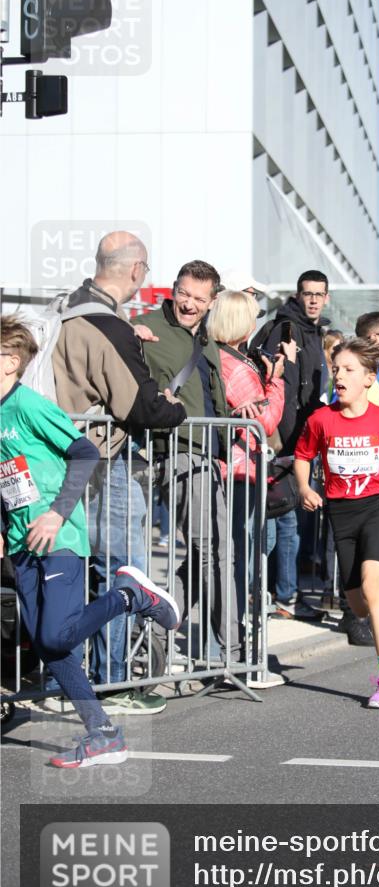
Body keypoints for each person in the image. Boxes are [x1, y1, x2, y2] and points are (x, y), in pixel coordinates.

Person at [0, 316, 179, 767]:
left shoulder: (28, 406)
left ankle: (129, 595)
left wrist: (57, 512)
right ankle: (102, 734)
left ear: (10, 361)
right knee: (49, 646)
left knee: (57, 633)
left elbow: (84, 452)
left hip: (60, 534)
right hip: (22, 540)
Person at [54, 231, 186, 716]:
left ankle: (76, 681)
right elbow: (141, 406)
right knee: (121, 574)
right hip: (103, 465)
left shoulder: (63, 311)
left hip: (62, 463)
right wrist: (174, 407)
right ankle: (114, 683)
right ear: (135, 271)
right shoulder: (106, 326)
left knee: (74, 573)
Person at [294, 338, 379, 709]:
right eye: (337, 369)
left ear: (369, 379)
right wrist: (304, 486)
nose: (340, 376)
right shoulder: (321, 419)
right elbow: (303, 455)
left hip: (376, 509)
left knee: (372, 589)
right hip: (340, 513)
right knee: (359, 604)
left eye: (349, 370)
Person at [133, 260, 238, 662]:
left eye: (199, 298)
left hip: (207, 455)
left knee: (205, 553)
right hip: (175, 452)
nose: (189, 304)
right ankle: (232, 651)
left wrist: (226, 445)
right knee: (215, 551)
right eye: (184, 293)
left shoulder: (207, 340)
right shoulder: (144, 327)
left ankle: (157, 627)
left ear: (212, 301)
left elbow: (213, 396)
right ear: (173, 288)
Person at [208, 289, 294, 622]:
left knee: (224, 551)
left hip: (225, 465)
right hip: (240, 469)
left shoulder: (215, 355)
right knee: (240, 552)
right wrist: (276, 380)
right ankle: (234, 629)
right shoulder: (239, 368)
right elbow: (266, 420)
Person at [258, 270, 332, 620]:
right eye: (308, 293)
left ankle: (283, 594)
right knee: (283, 520)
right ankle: (283, 597)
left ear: (327, 297)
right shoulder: (285, 329)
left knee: (289, 521)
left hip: (302, 439)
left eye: (319, 294)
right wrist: (293, 445)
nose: (314, 299)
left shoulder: (315, 332)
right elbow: (283, 391)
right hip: (284, 441)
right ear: (298, 295)